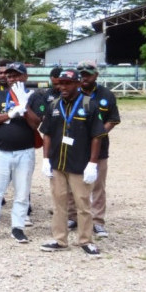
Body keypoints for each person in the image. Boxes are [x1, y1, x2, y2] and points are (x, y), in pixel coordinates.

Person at [39, 69, 106, 256]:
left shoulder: (89, 105)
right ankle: (60, 239)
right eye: (60, 83)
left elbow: (97, 136)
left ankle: (85, 240)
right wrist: (45, 159)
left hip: (79, 165)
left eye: (67, 83)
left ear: (77, 84)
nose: (62, 87)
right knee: (58, 203)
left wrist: (93, 163)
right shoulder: (54, 105)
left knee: (82, 203)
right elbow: (47, 134)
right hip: (57, 164)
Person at [0, 62, 44, 245]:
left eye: (17, 75)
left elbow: (36, 123)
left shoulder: (34, 97)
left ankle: (17, 227)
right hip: (1, 152)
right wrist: (11, 114)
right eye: (10, 75)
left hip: (25, 152)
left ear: (25, 77)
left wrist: (24, 106)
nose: (13, 79)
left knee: (22, 192)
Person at [66, 61, 120, 237]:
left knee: (98, 185)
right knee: (71, 183)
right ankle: (73, 216)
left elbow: (112, 119)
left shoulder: (106, 95)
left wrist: (96, 134)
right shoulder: (73, 94)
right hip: (74, 146)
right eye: (81, 74)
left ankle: (97, 221)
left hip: (99, 148)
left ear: (96, 75)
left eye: (88, 74)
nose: (84, 77)